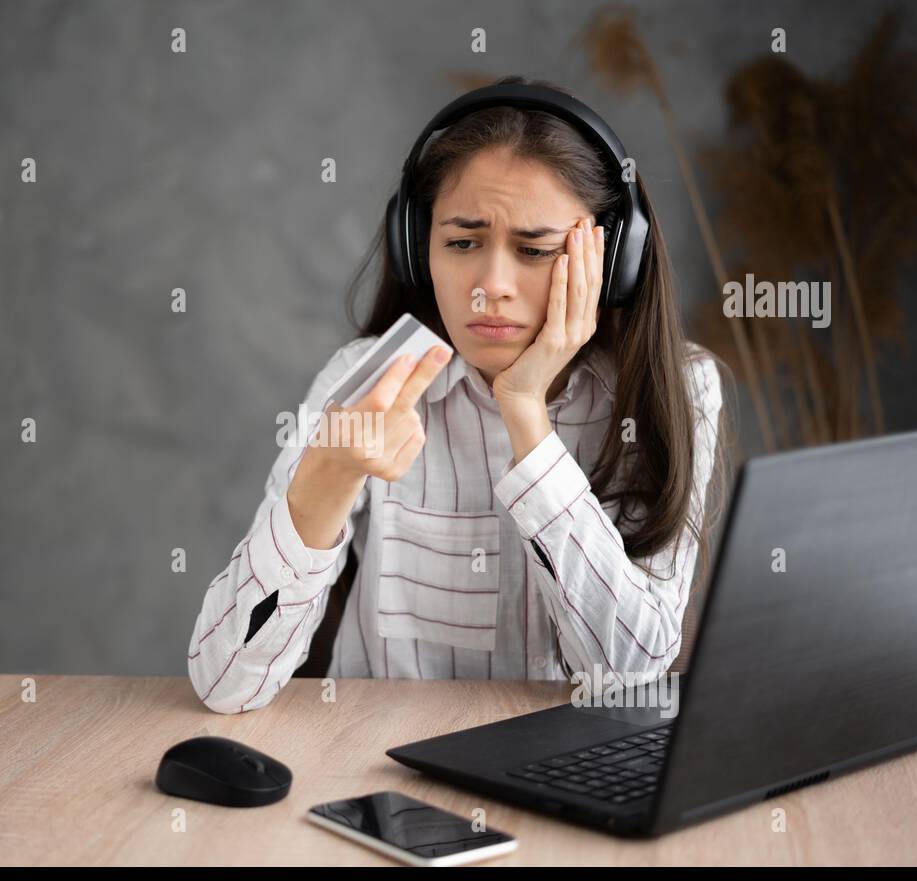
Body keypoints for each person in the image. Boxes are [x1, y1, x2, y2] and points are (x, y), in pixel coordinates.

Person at [188, 75, 732, 714]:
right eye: (462, 243)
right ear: (418, 251)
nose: (490, 285)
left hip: (568, 779)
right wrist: (327, 475)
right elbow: (226, 683)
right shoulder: (359, 382)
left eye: (534, 250)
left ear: (613, 263)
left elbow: (629, 672)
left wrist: (525, 414)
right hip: (380, 766)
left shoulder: (678, 387)